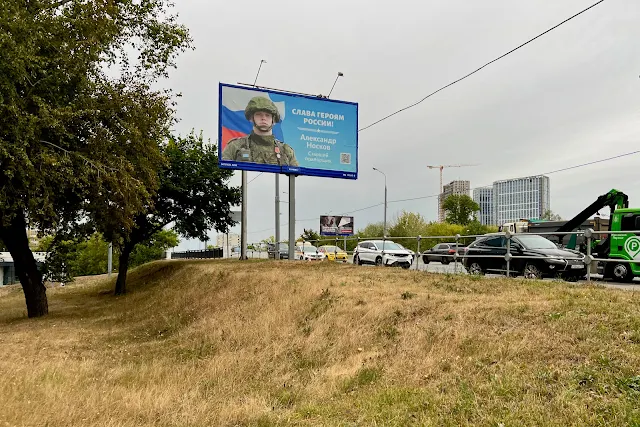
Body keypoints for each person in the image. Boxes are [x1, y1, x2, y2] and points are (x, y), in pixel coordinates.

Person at [222, 96, 299, 166]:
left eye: (268, 115)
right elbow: (224, 173)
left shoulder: (285, 151)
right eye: (259, 114)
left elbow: (296, 177)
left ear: (274, 120)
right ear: (252, 118)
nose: (263, 118)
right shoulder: (235, 146)